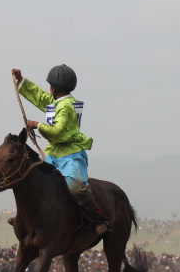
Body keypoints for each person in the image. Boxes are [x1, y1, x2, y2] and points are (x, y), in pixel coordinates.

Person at [11, 65, 111, 235]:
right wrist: (21, 80)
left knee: (76, 187)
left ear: (53, 88)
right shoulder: (57, 102)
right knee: (33, 177)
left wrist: (37, 124)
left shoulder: (66, 107)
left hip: (71, 155)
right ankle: (26, 218)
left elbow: (58, 132)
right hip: (54, 152)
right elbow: (39, 96)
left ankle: (98, 217)